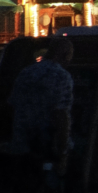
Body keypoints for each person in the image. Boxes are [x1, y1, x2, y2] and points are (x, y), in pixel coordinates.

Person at [4, 37, 75, 190]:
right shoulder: (62, 76)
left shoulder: (26, 73)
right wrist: (63, 152)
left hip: (21, 145)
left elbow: (12, 105)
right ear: (63, 55)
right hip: (47, 146)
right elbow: (61, 115)